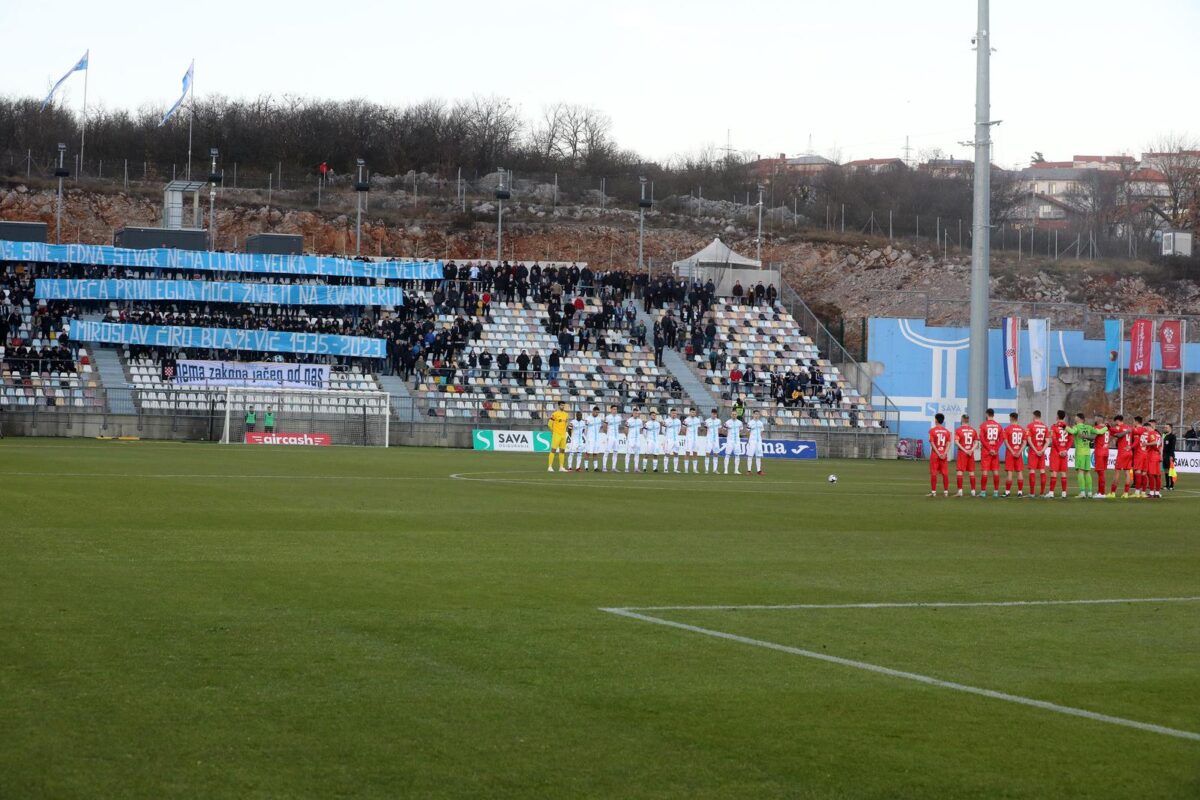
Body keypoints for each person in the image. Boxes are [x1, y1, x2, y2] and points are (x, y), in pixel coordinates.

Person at [1065, 413, 1095, 498]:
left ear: (1079, 418)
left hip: (1080, 453)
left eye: (1076, 417)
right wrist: (1106, 428)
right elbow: (1098, 432)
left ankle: (1082, 492)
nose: (1075, 418)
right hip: (1087, 452)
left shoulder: (1077, 427)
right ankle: (1089, 492)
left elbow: (1072, 431)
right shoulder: (1088, 427)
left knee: (1080, 472)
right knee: (1088, 472)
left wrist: (1064, 426)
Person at [978, 408, 1003, 498]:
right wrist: (995, 449)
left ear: (986, 414)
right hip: (995, 451)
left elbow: (982, 438)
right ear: (993, 415)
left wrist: (989, 449)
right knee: (995, 471)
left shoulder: (983, 425)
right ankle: (996, 492)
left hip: (986, 451)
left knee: (985, 471)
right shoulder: (999, 426)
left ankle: (983, 492)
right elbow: (1001, 439)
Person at [1002, 412, 1027, 498]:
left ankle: (1007, 492)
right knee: (1019, 472)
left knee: (1009, 472)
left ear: (1012, 418)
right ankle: (1020, 492)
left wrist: (1012, 451)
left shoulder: (1007, 429)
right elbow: (1024, 442)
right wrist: (1019, 451)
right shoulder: (1022, 429)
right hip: (1018, 453)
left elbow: (1006, 442)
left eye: (1010, 418)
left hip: (1010, 453)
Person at [1024, 410, 1049, 498]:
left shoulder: (1030, 426)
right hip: (1041, 451)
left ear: (1034, 416)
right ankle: (1042, 493)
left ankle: (1032, 493)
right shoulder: (1045, 427)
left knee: (1032, 471)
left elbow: (1029, 440)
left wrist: (1035, 450)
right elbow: (1048, 441)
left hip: (1033, 452)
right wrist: (1042, 450)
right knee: (1042, 471)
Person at [1049, 410, 1073, 499]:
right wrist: (1066, 450)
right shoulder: (1068, 427)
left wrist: (1059, 450)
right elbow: (1071, 440)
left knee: (1054, 472)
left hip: (1056, 452)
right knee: (1063, 472)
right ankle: (1064, 493)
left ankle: (1051, 493)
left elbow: (1054, 440)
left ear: (1057, 417)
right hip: (1064, 452)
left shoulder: (1054, 427)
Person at [953, 414, 978, 497]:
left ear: (962, 420)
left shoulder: (958, 430)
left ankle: (960, 491)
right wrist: (971, 450)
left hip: (962, 453)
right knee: (971, 472)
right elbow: (976, 442)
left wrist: (965, 450)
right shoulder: (973, 430)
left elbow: (956, 442)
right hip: (970, 453)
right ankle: (973, 491)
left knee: (960, 471)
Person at [1108, 414, 1133, 498]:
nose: (1115, 424)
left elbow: (1118, 434)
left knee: (1117, 472)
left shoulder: (1120, 427)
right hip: (1129, 451)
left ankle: (1112, 493)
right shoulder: (1128, 427)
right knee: (1127, 472)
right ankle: (1126, 493)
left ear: (1118, 421)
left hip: (1122, 452)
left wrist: (1109, 428)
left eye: (1115, 422)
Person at [928, 412, 951, 497]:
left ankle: (933, 492)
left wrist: (938, 453)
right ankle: (946, 492)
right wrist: (944, 453)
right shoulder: (947, 432)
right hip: (944, 455)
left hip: (935, 455)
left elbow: (932, 443)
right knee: (945, 473)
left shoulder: (932, 431)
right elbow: (948, 443)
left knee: (934, 473)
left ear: (936, 420)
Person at [1090, 415, 1111, 500]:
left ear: (1098, 420)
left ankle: (1102, 493)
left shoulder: (1097, 427)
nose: (1094, 420)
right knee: (1100, 473)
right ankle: (1100, 491)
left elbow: (1093, 437)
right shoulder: (1107, 428)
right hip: (1106, 451)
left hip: (1100, 452)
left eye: (1095, 419)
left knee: (1101, 473)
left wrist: (1084, 437)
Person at [547, 401, 570, 472]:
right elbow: (549, 424)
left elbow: (566, 423)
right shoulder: (554, 414)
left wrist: (564, 430)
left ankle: (561, 467)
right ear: (559, 406)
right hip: (556, 434)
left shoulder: (566, 414)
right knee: (553, 450)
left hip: (563, 435)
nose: (563, 407)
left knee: (562, 451)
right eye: (561, 405)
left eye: (564, 405)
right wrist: (553, 432)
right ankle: (550, 466)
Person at [1144, 420, 1164, 498]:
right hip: (1157, 455)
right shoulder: (1158, 434)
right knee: (1157, 475)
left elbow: (1155, 442)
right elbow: (1160, 445)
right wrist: (1161, 455)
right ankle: (1157, 493)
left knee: (1151, 474)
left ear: (1148, 427)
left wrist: (1146, 444)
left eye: (1145, 428)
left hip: (1152, 455)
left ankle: (1152, 493)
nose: (1145, 430)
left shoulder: (1151, 433)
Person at [745, 409, 767, 476]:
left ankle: (759, 471)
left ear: (759, 415)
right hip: (752, 441)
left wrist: (759, 439)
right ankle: (749, 470)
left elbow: (761, 431)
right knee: (750, 455)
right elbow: (747, 432)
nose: (757, 415)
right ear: (753, 415)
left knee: (758, 456)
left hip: (759, 441)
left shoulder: (760, 423)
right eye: (755, 414)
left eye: (758, 414)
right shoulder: (750, 423)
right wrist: (749, 440)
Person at [683, 407, 703, 474]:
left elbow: (699, 428)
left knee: (695, 453)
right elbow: (683, 429)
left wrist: (701, 430)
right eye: (692, 412)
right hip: (689, 438)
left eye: (694, 412)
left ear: (695, 413)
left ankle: (695, 469)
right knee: (687, 453)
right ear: (689, 412)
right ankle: (686, 469)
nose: (693, 413)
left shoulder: (697, 420)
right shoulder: (686, 420)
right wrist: (687, 435)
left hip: (696, 438)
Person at [624, 408, 644, 473]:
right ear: (632, 413)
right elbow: (625, 429)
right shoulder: (629, 420)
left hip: (637, 439)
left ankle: (636, 468)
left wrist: (639, 435)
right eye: (635, 413)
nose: (636, 414)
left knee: (637, 453)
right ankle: (626, 468)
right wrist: (627, 436)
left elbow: (641, 429)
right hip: (631, 439)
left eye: (637, 413)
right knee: (628, 453)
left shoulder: (640, 421)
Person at [585, 406, 604, 472]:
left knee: (595, 453)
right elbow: (585, 428)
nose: (597, 414)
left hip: (597, 439)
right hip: (590, 438)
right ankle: (586, 468)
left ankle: (596, 468)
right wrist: (585, 436)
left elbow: (600, 428)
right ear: (593, 411)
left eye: (598, 413)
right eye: (596, 412)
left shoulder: (599, 419)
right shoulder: (588, 419)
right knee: (588, 452)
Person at [664, 409, 683, 473]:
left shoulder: (678, 421)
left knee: (676, 453)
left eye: (675, 413)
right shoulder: (666, 421)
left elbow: (679, 430)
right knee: (667, 453)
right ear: (670, 414)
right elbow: (663, 430)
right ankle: (665, 469)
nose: (674, 414)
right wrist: (667, 437)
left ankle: (675, 469)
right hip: (669, 440)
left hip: (676, 439)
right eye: (673, 413)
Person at [703, 408, 722, 474]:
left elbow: (719, 429)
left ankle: (715, 469)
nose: (714, 415)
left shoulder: (719, 421)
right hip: (709, 439)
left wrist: (717, 435)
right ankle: (706, 469)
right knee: (707, 453)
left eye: (715, 414)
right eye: (713, 414)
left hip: (716, 439)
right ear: (711, 414)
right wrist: (708, 436)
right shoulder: (707, 421)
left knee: (716, 454)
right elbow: (705, 429)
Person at [1162, 423, 1177, 490]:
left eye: (1166, 427)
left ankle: (1172, 485)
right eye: (1165, 427)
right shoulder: (1164, 436)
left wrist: (1171, 455)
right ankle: (1167, 485)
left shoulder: (1173, 436)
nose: (1165, 428)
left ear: (1170, 428)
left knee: (1171, 470)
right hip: (1164, 455)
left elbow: (1173, 447)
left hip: (1170, 455)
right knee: (1165, 470)